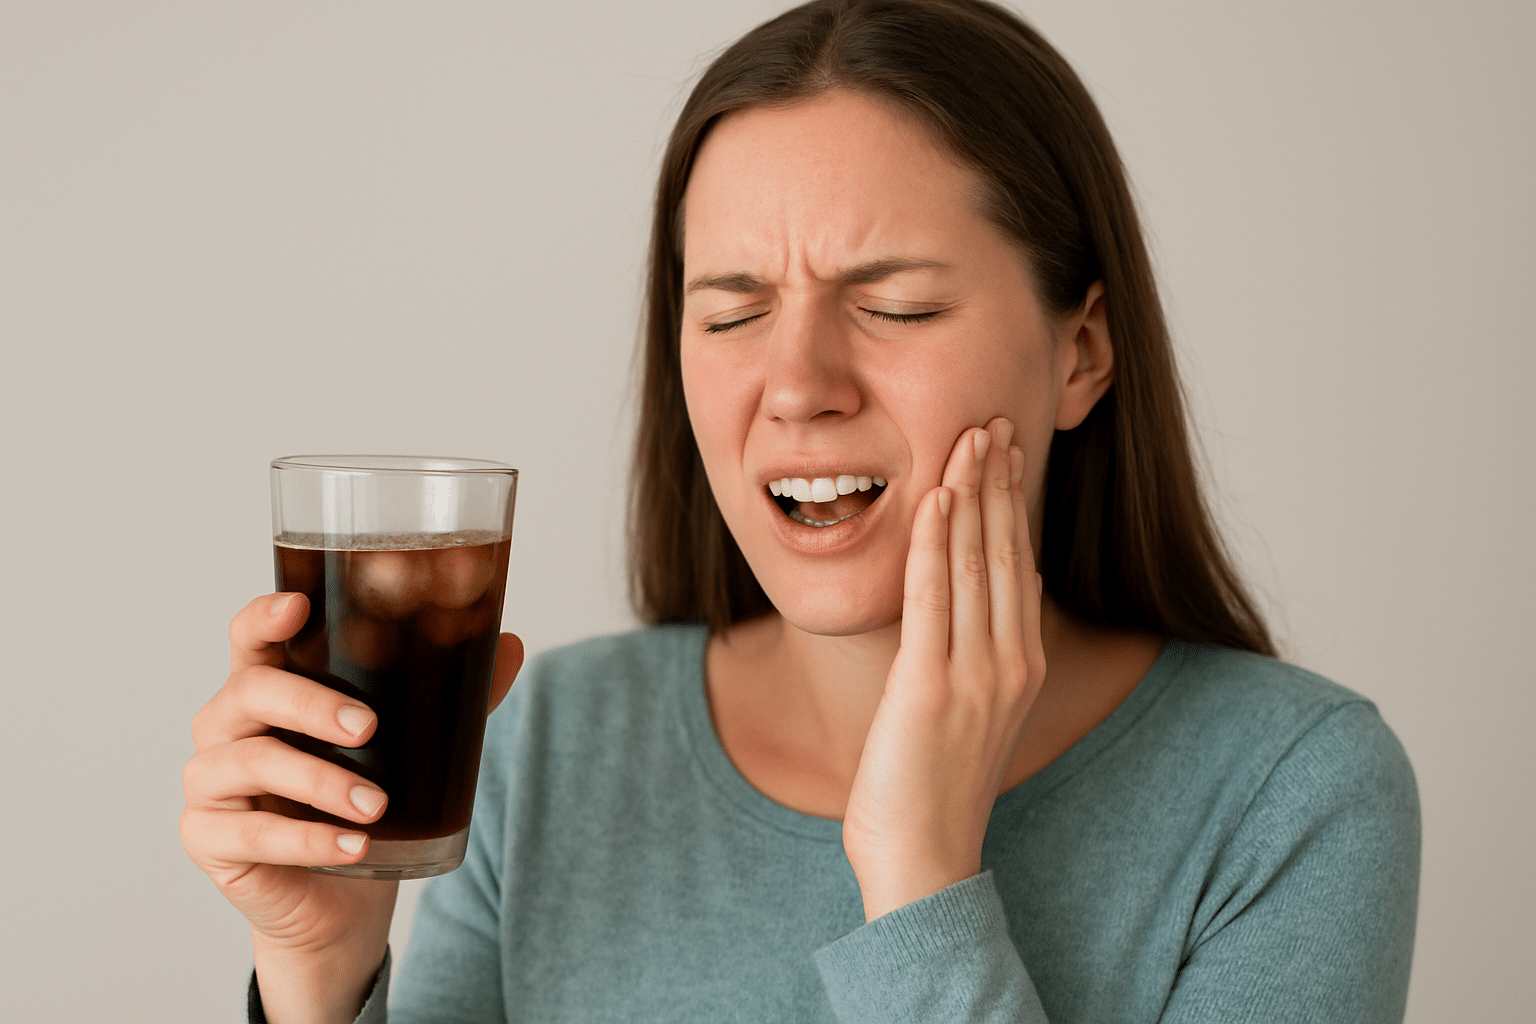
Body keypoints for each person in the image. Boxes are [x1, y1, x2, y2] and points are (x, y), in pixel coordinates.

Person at [179, 1, 1421, 1021]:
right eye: (731, 311)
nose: (796, 387)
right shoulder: (543, 747)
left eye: (897, 305)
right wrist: (319, 969)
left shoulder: (1290, 794)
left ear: (1082, 349)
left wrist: (921, 879)